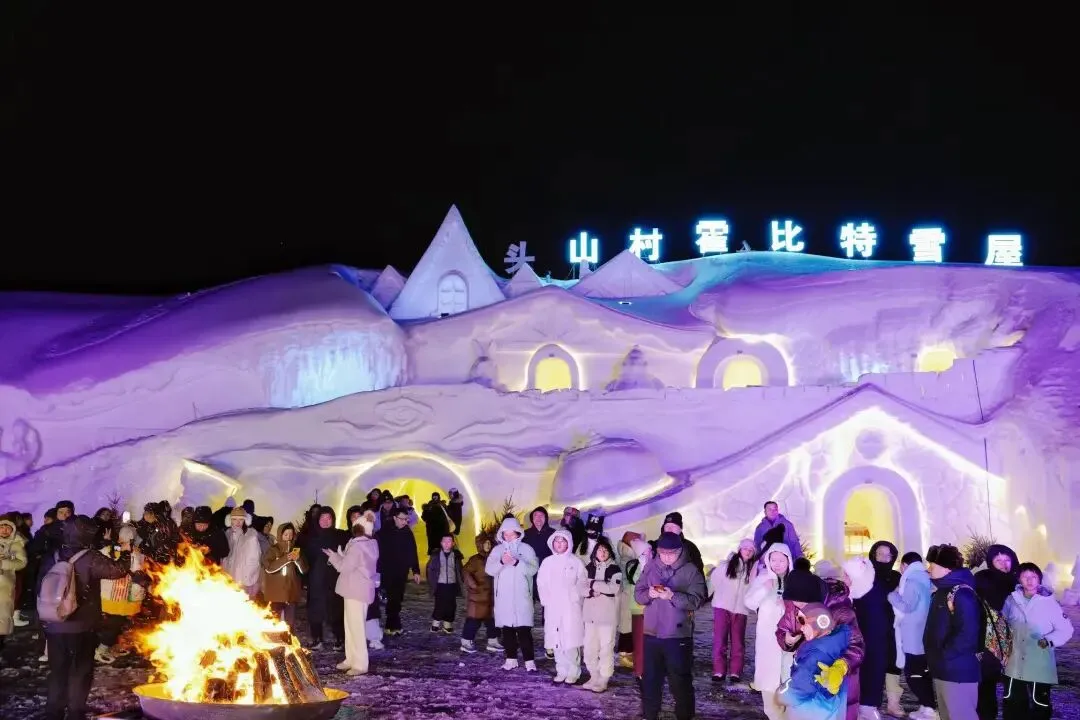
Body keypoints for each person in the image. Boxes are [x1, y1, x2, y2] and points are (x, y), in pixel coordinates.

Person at [41, 515, 132, 720]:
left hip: (55, 624)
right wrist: (126, 553)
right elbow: (117, 571)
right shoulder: (90, 557)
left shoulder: (53, 555)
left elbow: (41, 586)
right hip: (82, 625)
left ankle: (53, 713)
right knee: (80, 671)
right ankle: (75, 713)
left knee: (58, 671)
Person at [635, 531, 708, 720]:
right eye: (663, 553)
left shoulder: (690, 570)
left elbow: (697, 600)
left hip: (677, 636)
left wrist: (672, 596)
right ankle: (649, 715)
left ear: (679, 551)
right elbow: (638, 595)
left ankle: (684, 716)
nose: (666, 557)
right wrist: (649, 594)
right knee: (650, 679)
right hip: (651, 633)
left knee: (680, 681)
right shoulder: (651, 567)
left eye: (671, 553)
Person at [1001, 562, 1074, 720]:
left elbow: (1066, 629)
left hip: (1039, 662)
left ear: (1039, 579)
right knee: (1013, 702)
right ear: (1019, 579)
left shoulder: (1049, 603)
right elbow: (1002, 624)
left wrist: (1049, 640)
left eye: (1033, 576)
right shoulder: (1011, 600)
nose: (1030, 580)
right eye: (1025, 577)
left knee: (1039, 703)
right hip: (1014, 662)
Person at [925, 544, 980, 720]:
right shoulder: (943, 591)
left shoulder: (962, 593)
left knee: (961, 715)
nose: (928, 569)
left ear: (946, 568)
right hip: (943, 667)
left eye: (932, 565)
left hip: (957, 670)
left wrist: (945, 654)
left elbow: (968, 633)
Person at [776, 602, 853, 720]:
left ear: (819, 623)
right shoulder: (830, 643)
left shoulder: (815, 653)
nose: (801, 628)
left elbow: (801, 683)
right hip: (826, 708)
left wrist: (782, 694)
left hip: (810, 709)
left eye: (803, 621)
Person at [325, 510, 379, 676]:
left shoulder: (357, 546)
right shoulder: (369, 544)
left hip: (355, 590)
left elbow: (344, 567)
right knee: (351, 626)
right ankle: (351, 659)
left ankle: (360, 664)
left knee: (355, 628)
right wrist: (342, 556)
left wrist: (334, 556)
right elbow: (354, 564)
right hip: (358, 590)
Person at [745, 542, 794, 720]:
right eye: (774, 560)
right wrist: (764, 589)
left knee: (789, 691)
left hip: (790, 642)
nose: (777, 564)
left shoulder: (795, 581)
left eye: (781, 560)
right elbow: (749, 602)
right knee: (770, 697)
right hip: (768, 641)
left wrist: (788, 604)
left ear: (788, 561)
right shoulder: (763, 579)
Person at [486, 516, 539, 671]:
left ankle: (529, 661)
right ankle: (511, 659)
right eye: (506, 534)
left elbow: (533, 569)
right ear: (502, 534)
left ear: (518, 533)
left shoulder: (526, 549)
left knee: (524, 630)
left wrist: (517, 563)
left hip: (522, 597)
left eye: (512, 533)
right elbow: (489, 569)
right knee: (507, 630)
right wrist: (502, 562)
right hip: (504, 598)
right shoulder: (497, 550)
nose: (509, 537)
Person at [855, 541, 902, 720]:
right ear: (873, 554)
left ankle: (873, 704)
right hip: (865, 625)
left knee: (881, 666)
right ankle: (861, 703)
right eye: (880, 553)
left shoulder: (895, 577)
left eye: (888, 555)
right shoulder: (865, 574)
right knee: (864, 664)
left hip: (888, 629)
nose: (883, 558)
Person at [973, 543, 1019, 720]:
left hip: (1017, 641)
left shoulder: (1020, 581)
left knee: (1014, 687)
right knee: (986, 684)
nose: (1003, 564)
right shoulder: (982, 578)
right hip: (989, 641)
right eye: (998, 560)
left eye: (1007, 559)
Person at [888, 551, 936, 720]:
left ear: (904, 565)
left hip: (913, 635)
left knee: (913, 675)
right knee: (923, 673)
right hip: (924, 634)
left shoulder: (912, 581)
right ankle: (926, 706)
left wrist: (892, 595)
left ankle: (929, 708)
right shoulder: (926, 579)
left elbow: (906, 606)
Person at [537, 527, 586, 683]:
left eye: (562, 541)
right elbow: (541, 583)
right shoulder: (547, 562)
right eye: (556, 541)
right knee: (556, 640)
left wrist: (575, 596)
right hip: (553, 607)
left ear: (568, 543)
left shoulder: (576, 562)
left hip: (570, 607)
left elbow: (583, 581)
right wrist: (546, 599)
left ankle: (574, 671)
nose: (559, 544)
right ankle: (561, 669)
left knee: (570, 640)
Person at [708, 538, 755, 683]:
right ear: (740, 549)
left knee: (738, 642)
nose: (748, 551)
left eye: (751, 550)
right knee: (720, 639)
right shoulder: (726, 566)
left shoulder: (753, 570)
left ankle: (735, 672)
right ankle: (719, 671)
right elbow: (714, 581)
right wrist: (714, 596)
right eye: (745, 548)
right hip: (722, 607)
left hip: (741, 609)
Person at [301, 506, 347, 650]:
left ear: (333, 520)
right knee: (315, 609)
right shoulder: (310, 538)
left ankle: (340, 639)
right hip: (316, 579)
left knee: (336, 609)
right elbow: (303, 559)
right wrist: (304, 578)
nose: (326, 521)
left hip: (334, 579)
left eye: (329, 518)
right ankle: (317, 639)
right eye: (323, 518)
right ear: (317, 519)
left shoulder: (340, 535)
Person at [581, 536, 621, 692]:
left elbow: (613, 589)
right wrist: (590, 591)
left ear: (610, 552)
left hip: (607, 616)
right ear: (595, 552)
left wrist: (592, 583)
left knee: (606, 648)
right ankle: (594, 675)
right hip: (590, 615)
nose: (602, 553)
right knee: (589, 647)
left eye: (605, 550)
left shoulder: (615, 569)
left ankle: (604, 678)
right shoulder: (588, 567)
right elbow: (580, 587)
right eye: (599, 550)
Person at [376, 507, 421, 635]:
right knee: (392, 597)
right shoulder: (383, 533)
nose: (405, 522)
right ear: (395, 518)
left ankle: (392, 625)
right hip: (387, 571)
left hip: (401, 571)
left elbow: (412, 551)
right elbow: (377, 553)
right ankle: (392, 624)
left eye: (406, 519)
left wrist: (416, 570)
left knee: (397, 597)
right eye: (402, 519)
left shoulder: (407, 532)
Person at [460, 531, 502, 653]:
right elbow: (466, 572)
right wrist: (474, 586)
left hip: (490, 597)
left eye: (489, 543)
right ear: (480, 545)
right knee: (473, 620)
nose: (488, 546)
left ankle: (493, 641)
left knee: (492, 621)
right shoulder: (475, 560)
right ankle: (466, 641)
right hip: (478, 597)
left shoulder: (493, 559)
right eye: (485, 543)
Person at [261, 523, 307, 628]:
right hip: (276, 594)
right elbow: (269, 568)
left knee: (290, 624)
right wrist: (286, 559)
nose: (288, 537)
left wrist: (298, 560)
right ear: (280, 535)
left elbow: (304, 570)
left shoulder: (296, 550)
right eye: (286, 534)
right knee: (274, 622)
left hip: (291, 593)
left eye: (291, 534)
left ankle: (289, 638)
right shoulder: (273, 550)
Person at [426, 534, 464, 634]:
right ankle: (435, 624)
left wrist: (461, 580)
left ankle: (447, 624)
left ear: (453, 543)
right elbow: (430, 569)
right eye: (444, 541)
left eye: (449, 541)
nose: (447, 544)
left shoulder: (456, 556)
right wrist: (432, 582)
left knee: (451, 605)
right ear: (441, 543)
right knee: (440, 604)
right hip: (440, 584)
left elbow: (459, 570)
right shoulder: (436, 555)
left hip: (452, 584)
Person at [0, 517, 28, 651]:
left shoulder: (16, 543)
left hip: (4, 587)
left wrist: (4, 563)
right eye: (2, 527)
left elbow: (21, 562)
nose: (4, 530)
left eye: (8, 528)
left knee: (2, 616)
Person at [221, 507, 262, 597]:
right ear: (230, 520)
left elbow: (255, 558)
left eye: (241, 519)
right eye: (234, 519)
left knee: (244, 601)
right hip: (229, 576)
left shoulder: (251, 536)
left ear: (246, 520)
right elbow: (225, 557)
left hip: (243, 579)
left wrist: (247, 576)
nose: (238, 522)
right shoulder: (228, 533)